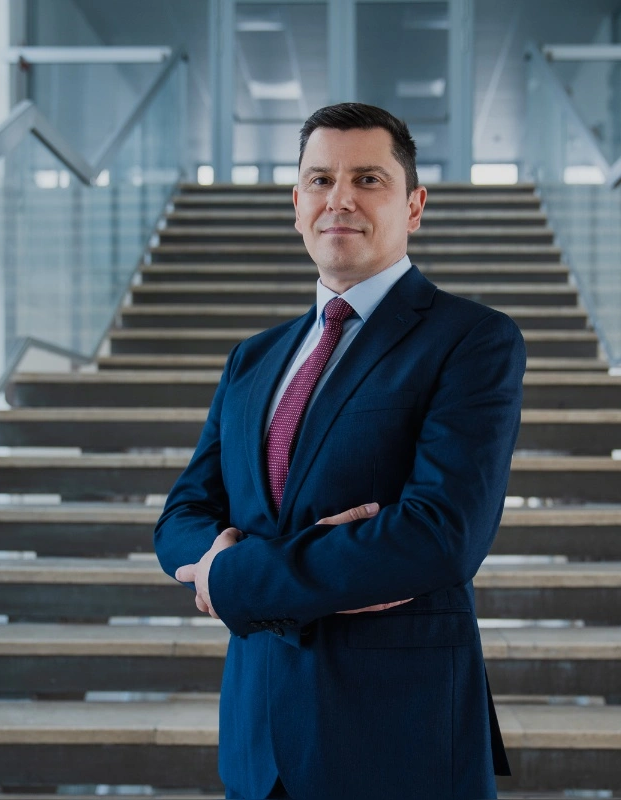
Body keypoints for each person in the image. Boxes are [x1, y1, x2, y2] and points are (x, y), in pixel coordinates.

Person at [155, 102, 525, 800]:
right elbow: (183, 514)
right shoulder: (253, 358)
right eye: (320, 180)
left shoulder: (472, 340)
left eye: (368, 179)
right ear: (297, 205)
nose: (340, 199)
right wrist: (240, 560)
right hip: (259, 743)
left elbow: (440, 536)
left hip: (397, 739)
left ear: (414, 206)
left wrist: (233, 575)